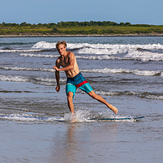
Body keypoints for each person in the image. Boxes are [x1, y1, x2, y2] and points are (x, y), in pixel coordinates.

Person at [53, 41, 118, 119]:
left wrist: (59, 70)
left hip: (78, 78)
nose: (60, 51)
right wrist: (58, 84)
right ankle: (73, 116)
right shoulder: (58, 61)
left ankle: (109, 106)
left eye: (61, 48)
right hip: (70, 80)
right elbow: (57, 73)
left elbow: (71, 66)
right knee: (69, 97)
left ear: (65, 48)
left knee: (93, 95)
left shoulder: (70, 54)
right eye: (58, 49)